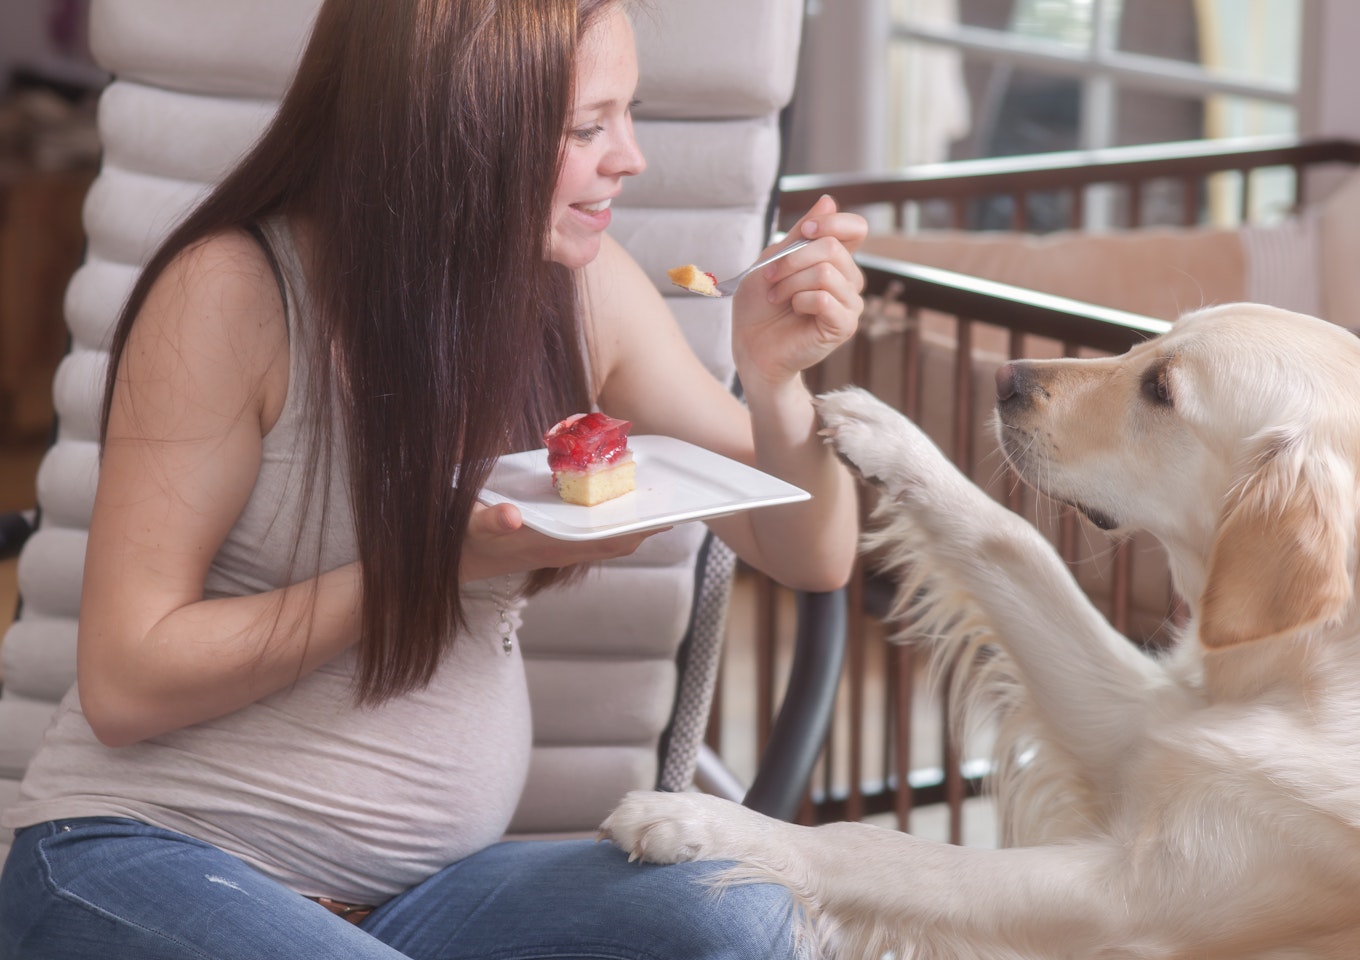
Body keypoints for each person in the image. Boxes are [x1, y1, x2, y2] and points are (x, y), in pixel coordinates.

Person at [0, 1, 866, 958]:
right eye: (587, 127)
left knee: (744, 912)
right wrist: (432, 567)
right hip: (146, 857)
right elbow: (126, 682)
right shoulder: (230, 293)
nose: (631, 158)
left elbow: (811, 551)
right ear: (454, 123)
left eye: (627, 117)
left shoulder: (581, 290)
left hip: (423, 906)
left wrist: (778, 379)